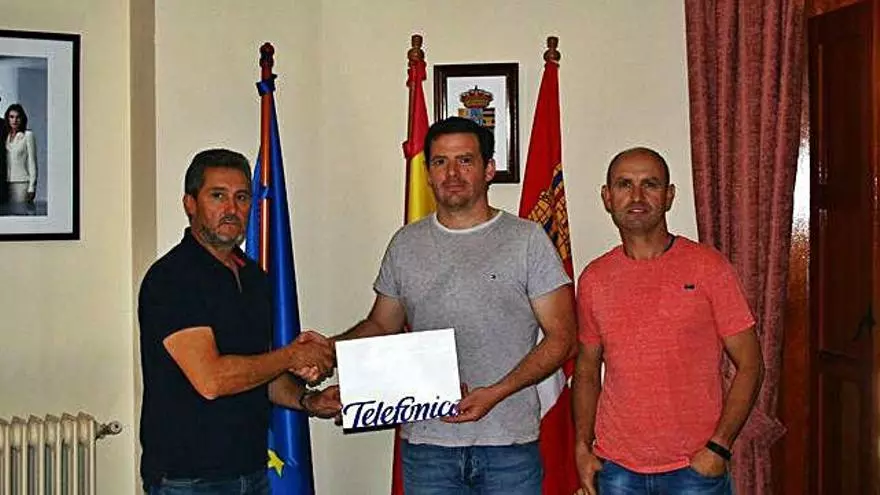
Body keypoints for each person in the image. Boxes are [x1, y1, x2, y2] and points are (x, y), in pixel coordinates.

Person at [333, 117, 577, 494]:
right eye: (440, 162)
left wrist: (496, 392)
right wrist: (327, 351)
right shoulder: (405, 244)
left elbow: (563, 338)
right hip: (428, 449)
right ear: (428, 174)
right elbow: (381, 325)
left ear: (488, 169)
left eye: (465, 160)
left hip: (508, 446)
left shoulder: (527, 240)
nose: (451, 173)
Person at [138, 148, 340, 495]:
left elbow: (258, 371)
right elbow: (212, 379)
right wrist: (292, 356)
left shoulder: (254, 277)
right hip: (189, 480)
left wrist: (308, 401)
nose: (231, 209)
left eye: (242, 197)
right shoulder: (172, 279)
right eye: (218, 196)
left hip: (253, 471)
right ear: (190, 204)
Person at [571, 147, 764, 495]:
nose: (637, 196)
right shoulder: (594, 279)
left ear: (669, 196)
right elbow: (586, 370)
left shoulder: (708, 267)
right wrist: (583, 448)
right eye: (624, 184)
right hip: (617, 470)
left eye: (650, 184)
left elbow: (751, 364)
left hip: (694, 470)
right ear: (607, 197)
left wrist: (719, 447)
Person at [4, 104, 37, 205]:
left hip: (22, 183)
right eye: (12, 117)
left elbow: (32, 162)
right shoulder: (6, 136)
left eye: (18, 117)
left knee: (20, 211)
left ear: (22, 119)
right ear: (8, 119)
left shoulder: (28, 135)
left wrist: (32, 186)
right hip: (6, 183)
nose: (14, 120)